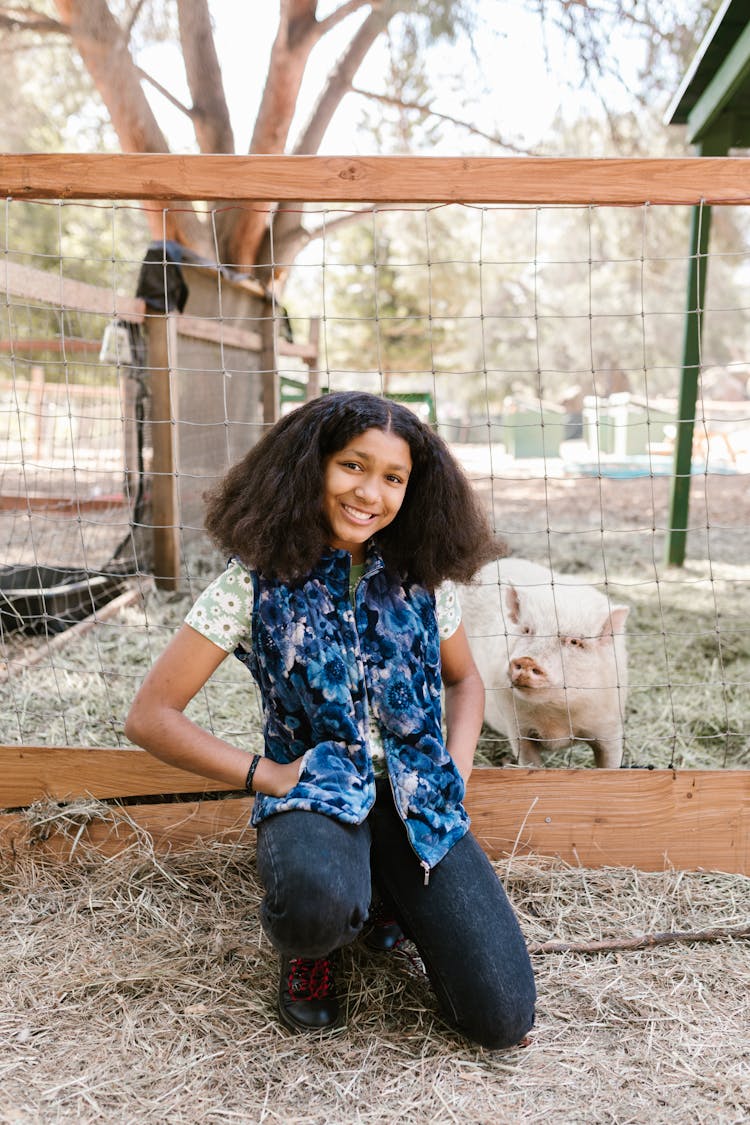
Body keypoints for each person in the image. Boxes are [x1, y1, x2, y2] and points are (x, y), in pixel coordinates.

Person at [125, 391, 536, 1048]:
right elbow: (149, 716)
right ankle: (312, 949)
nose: (370, 491)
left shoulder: (423, 577)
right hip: (314, 793)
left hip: (416, 798)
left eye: (393, 477)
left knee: (502, 1016)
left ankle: (382, 899)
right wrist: (268, 774)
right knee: (317, 904)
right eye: (353, 465)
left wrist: (456, 768)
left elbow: (465, 682)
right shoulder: (251, 583)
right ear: (312, 465)